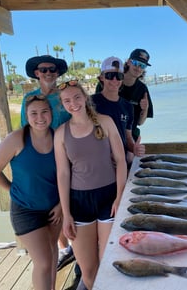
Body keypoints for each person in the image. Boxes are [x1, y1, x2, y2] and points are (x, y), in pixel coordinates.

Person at [54, 80, 127, 290]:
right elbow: (63, 173)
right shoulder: (61, 133)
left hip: (108, 198)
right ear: (62, 104)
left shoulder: (105, 122)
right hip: (79, 202)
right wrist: (66, 214)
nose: (73, 103)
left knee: (109, 261)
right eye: (67, 100)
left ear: (85, 98)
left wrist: (120, 197)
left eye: (77, 97)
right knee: (88, 269)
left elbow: (121, 160)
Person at [0, 95, 62, 290]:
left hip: (54, 209)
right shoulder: (17, 139)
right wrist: (11, 189)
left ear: (51, 114)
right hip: (25, 210)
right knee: (43, 262)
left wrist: (61, 205)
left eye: (44, 112)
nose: (40, 117)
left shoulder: (58, 137)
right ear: (26, 116)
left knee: (52, 255)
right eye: (34, 113)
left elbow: (67, 175)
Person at [20, 55, 75, 272]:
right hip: (42, 158)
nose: (48, 73)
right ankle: (64, 248)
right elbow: (26, 129)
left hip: (67, 155)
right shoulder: (28, 99)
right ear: (37, 73)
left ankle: (72, 246)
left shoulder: (64, 95)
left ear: (58, 72)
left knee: (65, 202)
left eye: (52, 69)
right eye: (44, 70)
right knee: (51, 206)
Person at [92, 56, 145, 164]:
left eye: (119, 76)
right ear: (102, 77)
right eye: (110, 75)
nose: (114, 80)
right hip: (98, 163)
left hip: (121, 162)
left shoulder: (128, 106)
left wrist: (134, 148)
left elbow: (128, 137)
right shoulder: (90, 103)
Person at [120, 48, 153, 141]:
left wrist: (145, 108)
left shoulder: (142, 89)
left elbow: (140, 122)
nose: (138, 68)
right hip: (108, 133)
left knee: (129, 155)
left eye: (142, 65)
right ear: (129, 62)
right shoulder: (112, 81)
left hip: (131, 135)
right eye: (136, 63)